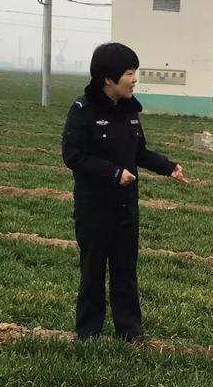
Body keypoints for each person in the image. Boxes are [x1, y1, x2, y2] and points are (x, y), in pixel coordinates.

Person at [62, 42, 188, 342]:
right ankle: (88, 331)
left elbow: (139, 152)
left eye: (136, 73)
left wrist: (168, 167)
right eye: (130, 73)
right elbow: (73, 155)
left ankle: (130, 331)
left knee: (125, 269)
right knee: (93, 269)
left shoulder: (130, 111)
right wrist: (114, 173)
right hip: (95, 207)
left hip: (125, 207)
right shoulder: (84, 110)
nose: (134, 79)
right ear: (108, 78)